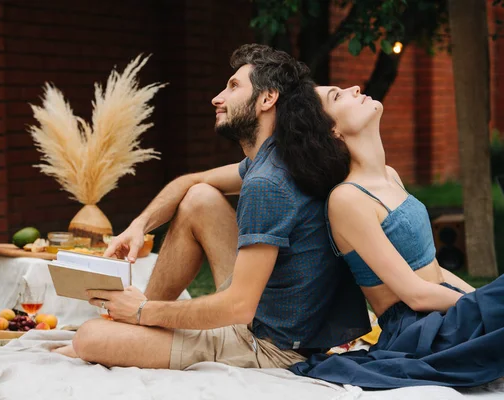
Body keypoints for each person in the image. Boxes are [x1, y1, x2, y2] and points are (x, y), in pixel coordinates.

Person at [53, 44, 370, 370]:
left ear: (266, 99)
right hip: (269, 315)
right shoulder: (277, 155)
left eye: (233, 87)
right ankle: (137, 324)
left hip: (269, 347)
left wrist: (142, 309)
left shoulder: (268, 182)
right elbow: (190, 181)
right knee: (199, 197)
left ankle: (136, 321)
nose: (217, 98)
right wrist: (139, 226)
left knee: (89, 337)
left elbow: (239, 307)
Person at [289, 84, 504, 388]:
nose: (355, 87)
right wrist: (485, 307)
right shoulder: (347, 198)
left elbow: (434, 269)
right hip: (422, 330)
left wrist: (481, 300)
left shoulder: (390, 176)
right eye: (337, 96)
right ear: (332, 129)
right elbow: (415, 294)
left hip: (446, 310)